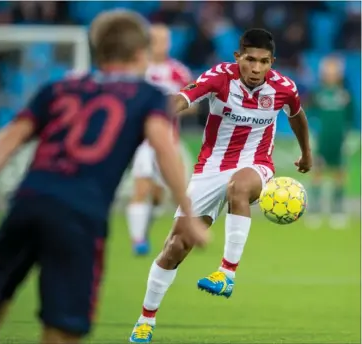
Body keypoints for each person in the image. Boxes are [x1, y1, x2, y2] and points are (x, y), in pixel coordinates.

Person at [0, 10, 208, 344]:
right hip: (79, 215)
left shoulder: (58, 87)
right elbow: (164, 148)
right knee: (62, 328)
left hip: (27, 202)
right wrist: (189, 214)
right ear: (141, 53)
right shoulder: (147, 95)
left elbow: (7, 141)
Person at [129, 28, 312, 343]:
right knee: (174, 248)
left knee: (239, 187)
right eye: (250, 60)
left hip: (256, 165)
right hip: (209, 171)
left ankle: (227, 273)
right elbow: (184, 97)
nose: (256, 68)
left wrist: (306, 153)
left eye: (264, 62)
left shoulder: (284, 88)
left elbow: (297, 116)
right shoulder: (219, 77)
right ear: (237, 57)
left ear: (273, 62)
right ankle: (146, 320)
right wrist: (156, 112)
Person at [128, 23, 193, 255]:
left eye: (165, 40)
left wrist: (171, 108)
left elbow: (193, 104)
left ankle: (143, 231)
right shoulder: (137, 71)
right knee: (141, 187)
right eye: (156, 39)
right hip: (142, 140)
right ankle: (138, 242)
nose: (161, 44)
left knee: (159, 195)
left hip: (170, 140)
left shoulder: (179, 72)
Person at [306, 56, 354, 229]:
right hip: (321, 140)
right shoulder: (317, 93)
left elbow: (351, 117)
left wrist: (350, 137)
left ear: (339, 74)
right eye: (328, 72)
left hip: (339, 140)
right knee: (317, 173)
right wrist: (311, 135)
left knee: (339, 174)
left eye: (334, 72)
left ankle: (338, 210)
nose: (331, 76)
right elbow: (309, 115)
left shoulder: (345, 95)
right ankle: (315, 210)